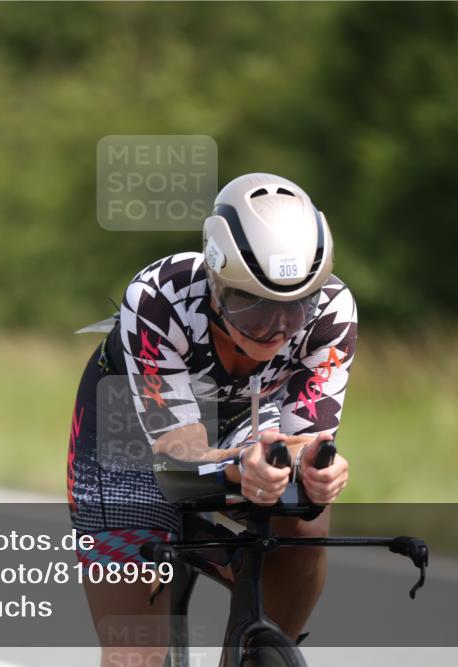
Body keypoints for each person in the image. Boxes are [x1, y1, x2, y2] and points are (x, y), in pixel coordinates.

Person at [66, 173, 356, 666]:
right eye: (253, 307)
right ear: (216, 280)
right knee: (135, 656)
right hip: (132, 435)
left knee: (306, 520)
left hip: (243, 421)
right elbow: (176, 450)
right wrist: (242, 467)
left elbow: (304, 439)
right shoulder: (160, 297)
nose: (277, 330)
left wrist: (316, 466)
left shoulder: (332, 310)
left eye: (295, 308)